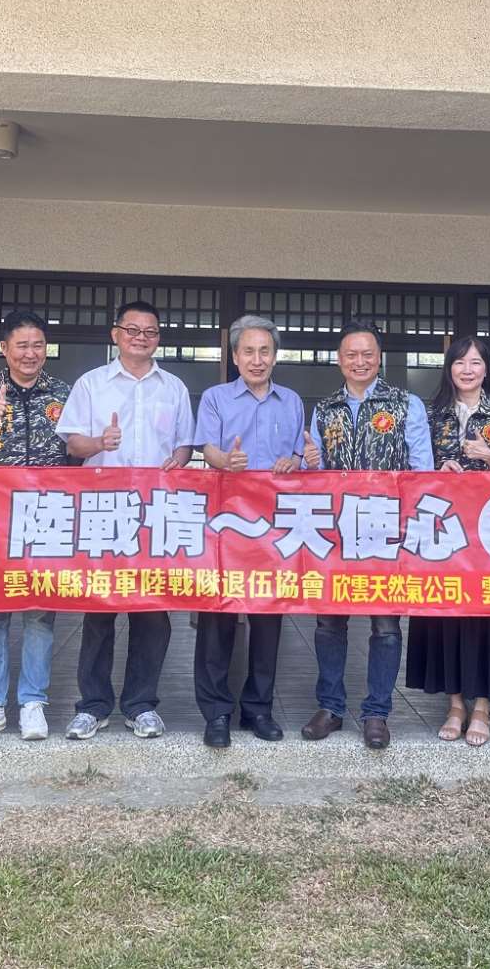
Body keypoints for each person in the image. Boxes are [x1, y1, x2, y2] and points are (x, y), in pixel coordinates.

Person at [57, 300, 195, 739]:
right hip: (103, 511)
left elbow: (185, 444)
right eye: (132, 330)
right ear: (116, 334)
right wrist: (100, 442)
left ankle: (141, 705)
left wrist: (179, 458)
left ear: (158, 338)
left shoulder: (173, 387)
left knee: (152, 612)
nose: (141, 338)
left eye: (149, 331)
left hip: (155, 513)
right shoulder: (91, 384)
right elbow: (72, 444)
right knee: (99, 611)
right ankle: (92, 705)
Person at [300, 320, 433, 750]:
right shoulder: (325, 409)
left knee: (386, 626)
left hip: (386, 531)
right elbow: (313, 476)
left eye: (367, 354)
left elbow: (423, 471)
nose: (359, 362)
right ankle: (330, 707)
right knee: (328, 623)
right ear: (339, 360)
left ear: (379, 358)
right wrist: (310, 464)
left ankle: (377, 712)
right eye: (351, 355)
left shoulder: (406, 404)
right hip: (336, 533)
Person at [405, 335, 490, 747]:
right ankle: (455, 704)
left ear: (486, 369)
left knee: (488, 615)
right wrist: (438, 472)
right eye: (459, 362)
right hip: (442, 532)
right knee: (448, 614)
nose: (467, 369)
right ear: (449, 368)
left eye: (475, 362)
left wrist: (488, 457)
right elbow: (414, 469)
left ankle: (482, 706)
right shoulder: (430, 413)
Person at [0, 310, 72, 742]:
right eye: (21, 345)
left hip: (47, 517)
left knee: (40, 613)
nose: (30, 353)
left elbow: (77, 451)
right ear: (5, 349)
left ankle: (33, 702)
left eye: (37, 345)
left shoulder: (63, 392)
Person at [192, 314, 304, 748]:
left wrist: (296, 462)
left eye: (265, 351)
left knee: (268, 618)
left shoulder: (292, 401)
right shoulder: (216, 398)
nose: (257, 360)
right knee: (217, 616)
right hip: (225, 525)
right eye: (248, 352)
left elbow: (299, 455)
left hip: (275, 528)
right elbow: (208, 449)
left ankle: (259, 709)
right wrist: (225, 461)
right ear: (235, 357)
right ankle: (216, 712)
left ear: (275, 357)